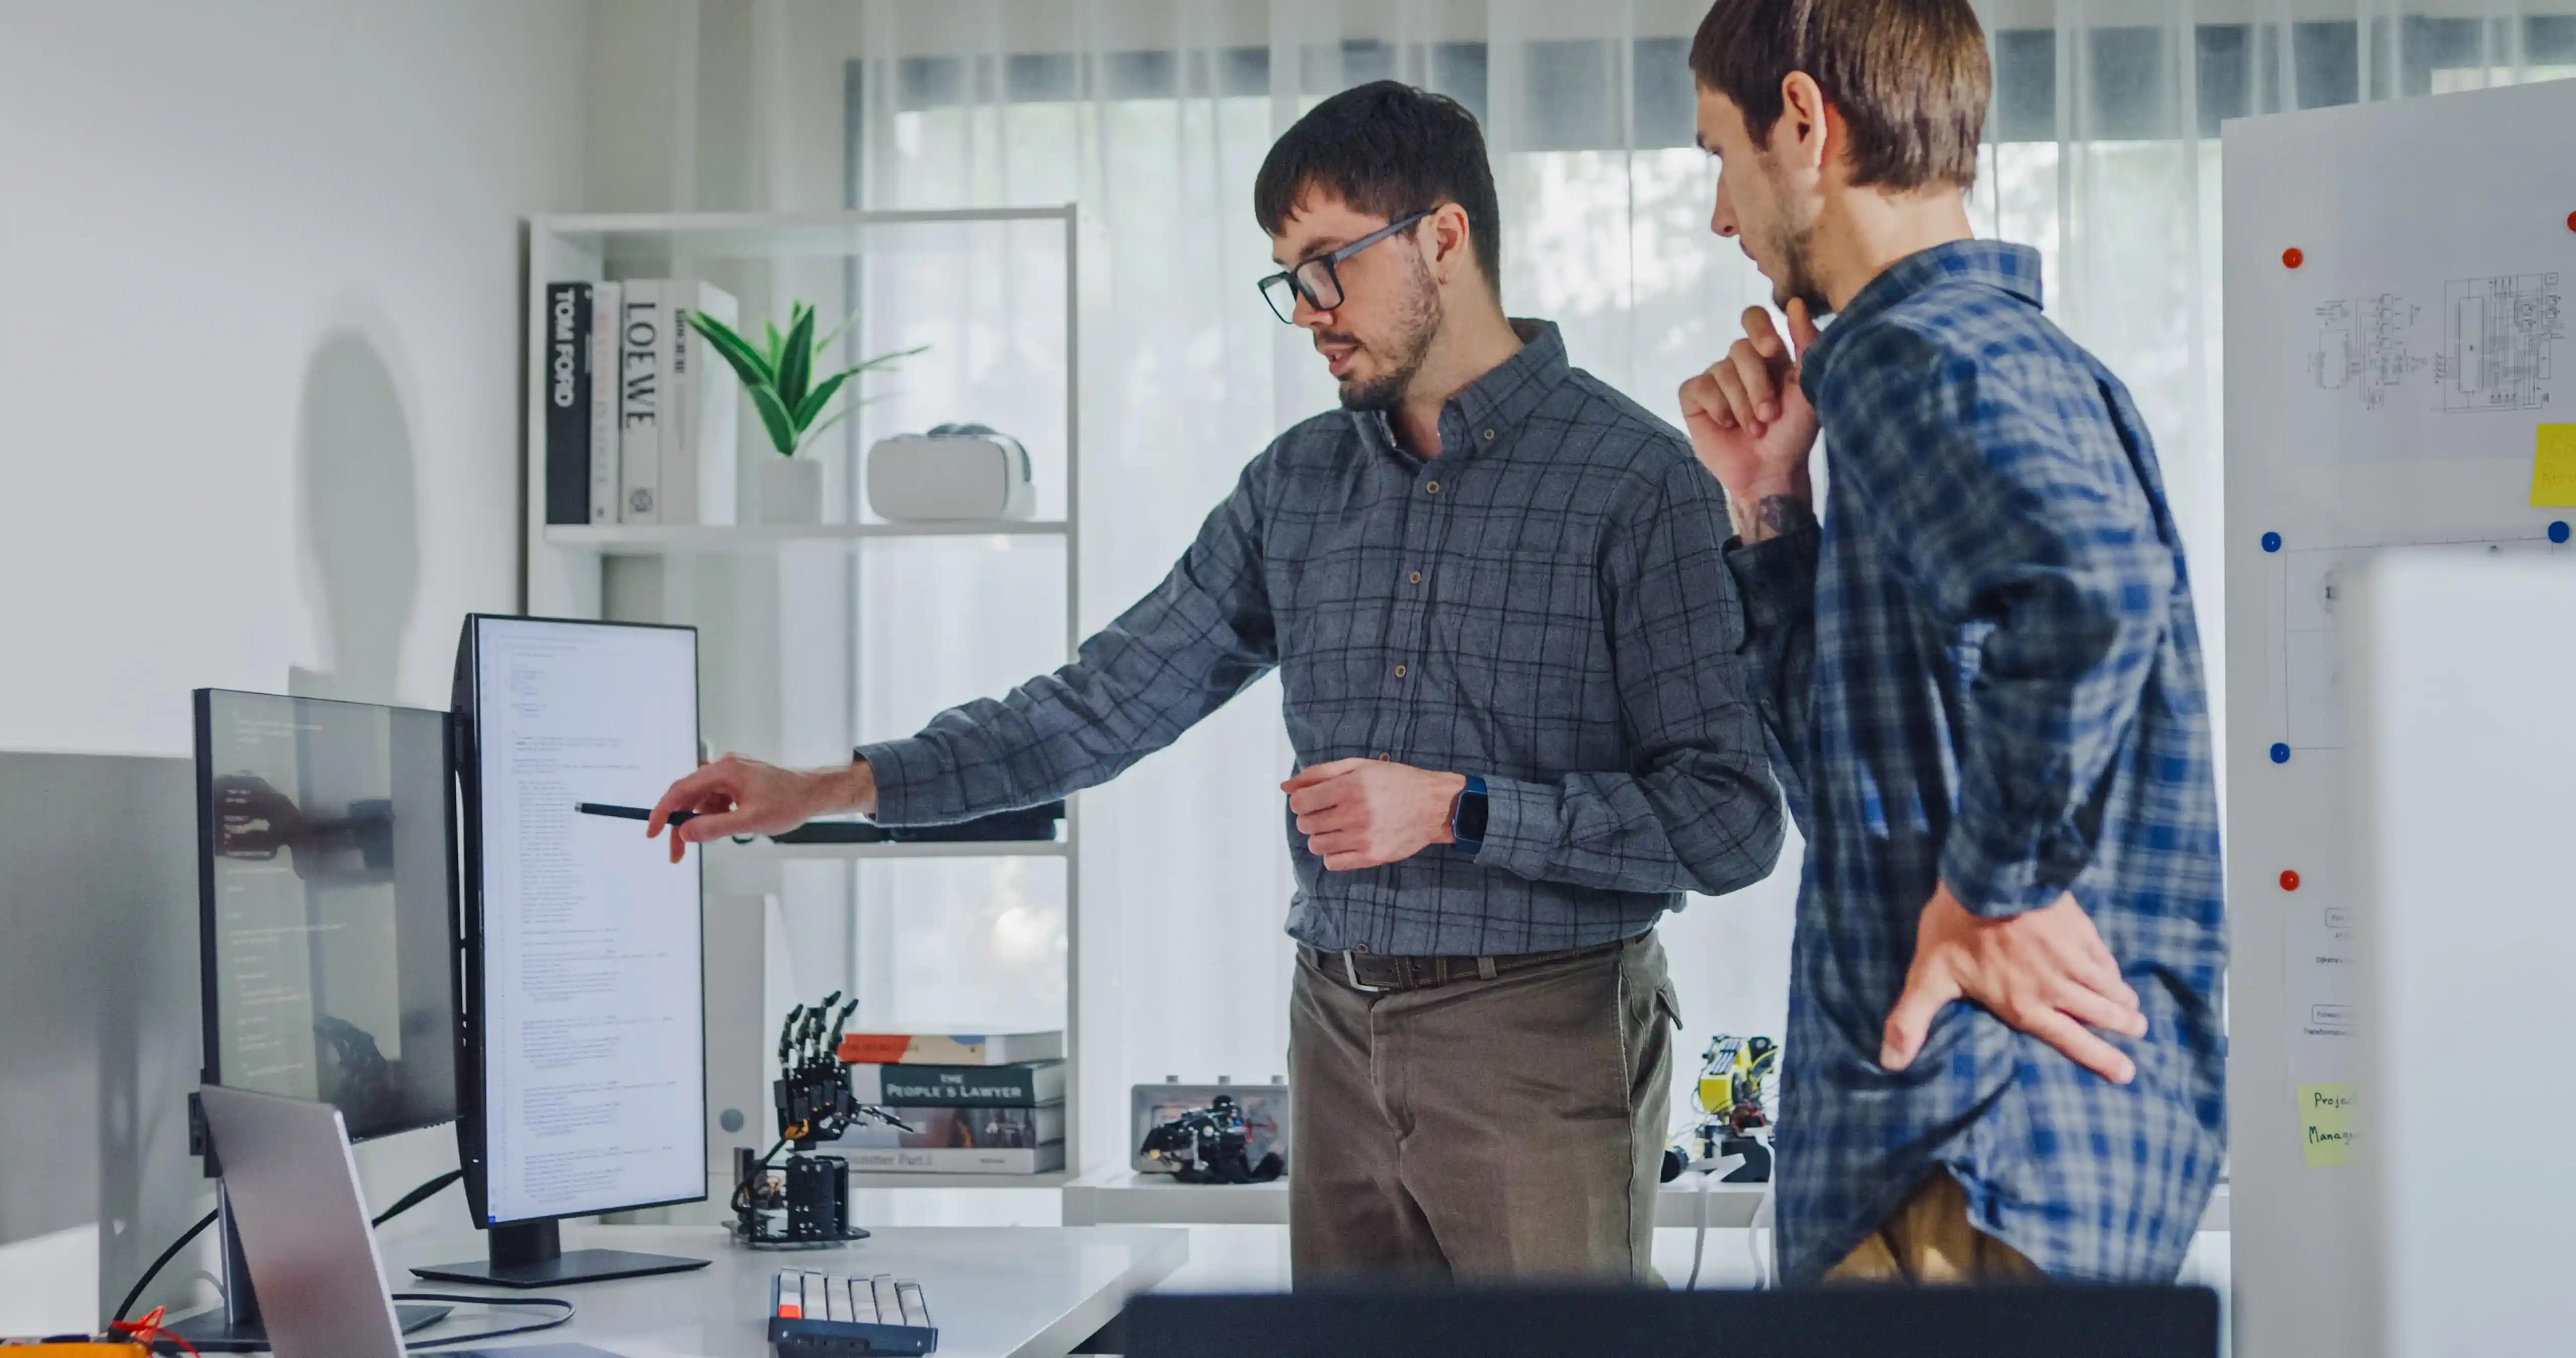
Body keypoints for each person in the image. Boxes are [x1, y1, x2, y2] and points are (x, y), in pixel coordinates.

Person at [648, 80, 1784, 1285]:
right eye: (1288, 278)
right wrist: (826, 787)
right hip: (1333, 1036)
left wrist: (1458, 808)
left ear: (1444, 239)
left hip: (1546, 1038)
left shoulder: (1637, 483)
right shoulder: (1293, 487)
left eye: (1327, 265)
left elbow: (1726, 822)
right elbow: (1102, 702)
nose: (1307, 313)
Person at [1675, 0, 2224, 1286]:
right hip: (1990, 1162)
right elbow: (1850, 794)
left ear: (1801, 121)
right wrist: (1769, 508)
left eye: (1719, 157)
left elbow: (2090, 597)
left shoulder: (1907, 357)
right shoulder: (2009, 362)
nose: (1719, 218)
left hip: (1962, 1153)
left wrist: (1991, 894)